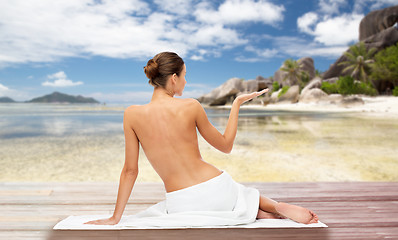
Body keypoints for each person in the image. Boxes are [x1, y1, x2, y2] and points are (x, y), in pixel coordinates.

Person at [85, 52, 318, 226]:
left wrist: (116, 217)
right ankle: (273, 207)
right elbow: (226, 146)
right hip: (217, 189)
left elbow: (130, 171)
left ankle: (261, 212)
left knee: (238, 199)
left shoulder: (131, 115)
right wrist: (236, 104)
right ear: (174, 78)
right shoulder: (191, 106)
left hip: (181, 203)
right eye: (185, 76)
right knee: (243, 193)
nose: (186, 82)